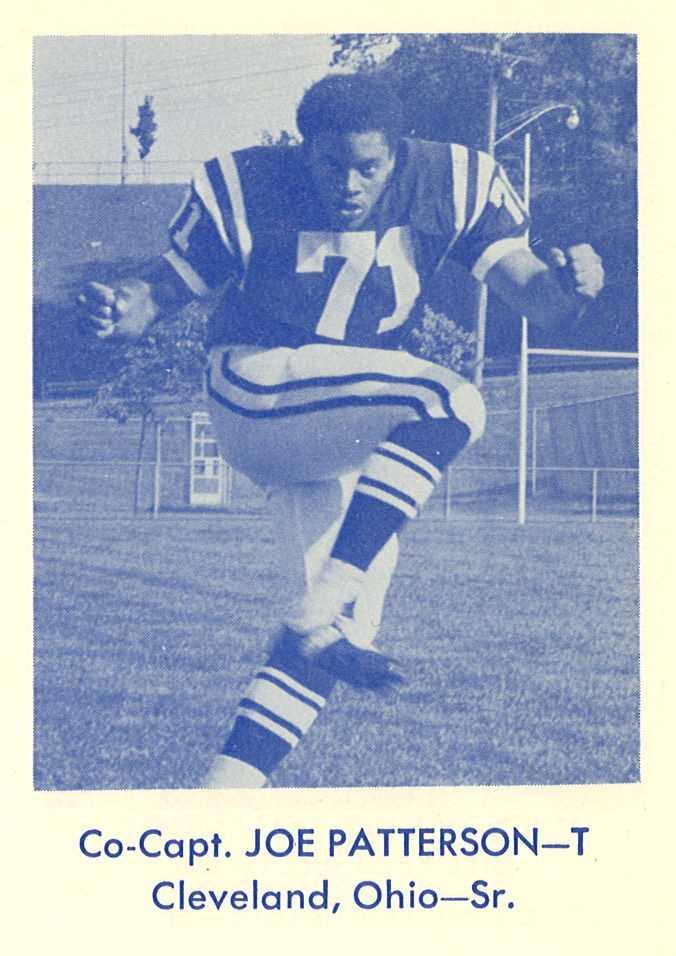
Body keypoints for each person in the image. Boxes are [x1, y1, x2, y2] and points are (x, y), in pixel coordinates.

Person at [78, 73, 604, 789]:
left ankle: (218, 802)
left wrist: (572, 289)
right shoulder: (250, 183)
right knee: (448, 401)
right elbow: (163, 291)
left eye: (369, 167)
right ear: (305, 151)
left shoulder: (452, 179)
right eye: (331, 165)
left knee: (333, 637)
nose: (349, 184)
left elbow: (534, 297)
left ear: (399, 154)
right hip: (258, 386)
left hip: (341, 426)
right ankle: (327, 593)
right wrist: (122, 307)